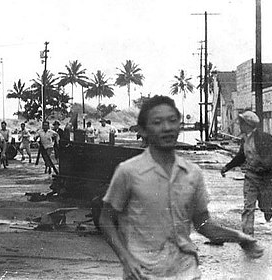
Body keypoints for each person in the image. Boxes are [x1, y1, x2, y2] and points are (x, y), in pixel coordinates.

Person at [99, 95, 263, 280]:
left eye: (172, 120)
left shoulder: (192, 173)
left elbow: (204, 225)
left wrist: (241, 238)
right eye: (157, 122)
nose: (167, 127)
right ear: (143, 130)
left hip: (186, 272)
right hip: (144, 274)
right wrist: (126, 259)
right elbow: (105, 218)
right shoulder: (128, 172)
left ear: (179, 126)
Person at [220, 110, 272, 236]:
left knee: (265, 206)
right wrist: (227, 167)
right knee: (248, 207)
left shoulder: (265, 138)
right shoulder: (244, 140)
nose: (239, 126)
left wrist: (266, 166)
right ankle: (248, 237)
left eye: (241, 123)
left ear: (247, 124)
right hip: (251, 177)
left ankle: (266, 208)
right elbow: (241, 157)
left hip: (267, 178)